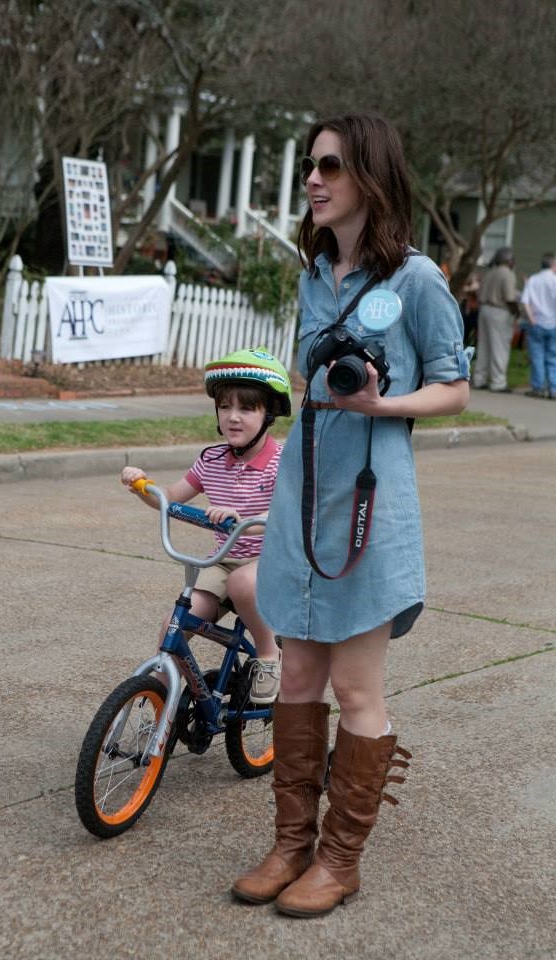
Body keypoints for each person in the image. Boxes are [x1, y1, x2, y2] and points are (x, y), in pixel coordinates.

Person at [231, 112, 470, 917]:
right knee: (297, 673)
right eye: (309, 165)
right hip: (303, 491)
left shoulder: (417, 278)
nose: (313, 180)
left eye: (329, 165)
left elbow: (457, 385)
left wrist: (382, 403)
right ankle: (290, 843)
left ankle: (339, 859)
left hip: (374, 500)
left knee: (356, 685)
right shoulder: (310, 275)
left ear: (370, 174)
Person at [120, 347, 291, 704]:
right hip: (224, 561)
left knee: (245, 582)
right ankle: (166, 691)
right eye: (225, 407)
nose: (233, 417)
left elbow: (290, 519)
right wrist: (142, 486)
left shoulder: (282, 462)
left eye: (246, 408)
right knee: (177, 621)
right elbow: (170, 496)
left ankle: (268, 655)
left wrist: (242, 522)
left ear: (269, 414)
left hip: (272, 562)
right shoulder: (212, 459)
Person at [473, 246, 520, 392]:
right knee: (500, 347)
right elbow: (510, 298)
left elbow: (478, 294)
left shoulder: (489, 273)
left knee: (484, 347)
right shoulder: (508, 274)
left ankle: (479, 379)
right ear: (508, 260)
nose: (513, 262)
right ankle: (498, 383)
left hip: (484, 310)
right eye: (512, 259)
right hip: (500, 312)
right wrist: (516, 312)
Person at [520, 253, 556, 399]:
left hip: (536, 323)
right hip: (553, 324)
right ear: (553, 265)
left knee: (537, 356)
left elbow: (525, 301)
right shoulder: (554, 280)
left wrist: (532, 318)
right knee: (553, 357)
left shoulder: (533, 280)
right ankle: (554, 388)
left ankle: (538, 387)